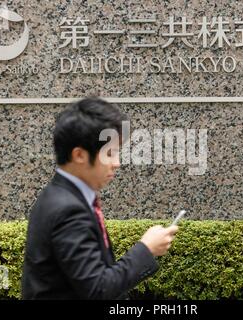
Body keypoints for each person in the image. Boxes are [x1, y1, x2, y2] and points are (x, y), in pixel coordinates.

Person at [22, 97, 178, 299]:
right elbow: (98, 289)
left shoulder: (60, 196)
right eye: (110, 153)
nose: (117, 163)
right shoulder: (68, 209)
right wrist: (146, 249)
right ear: (79, 155)